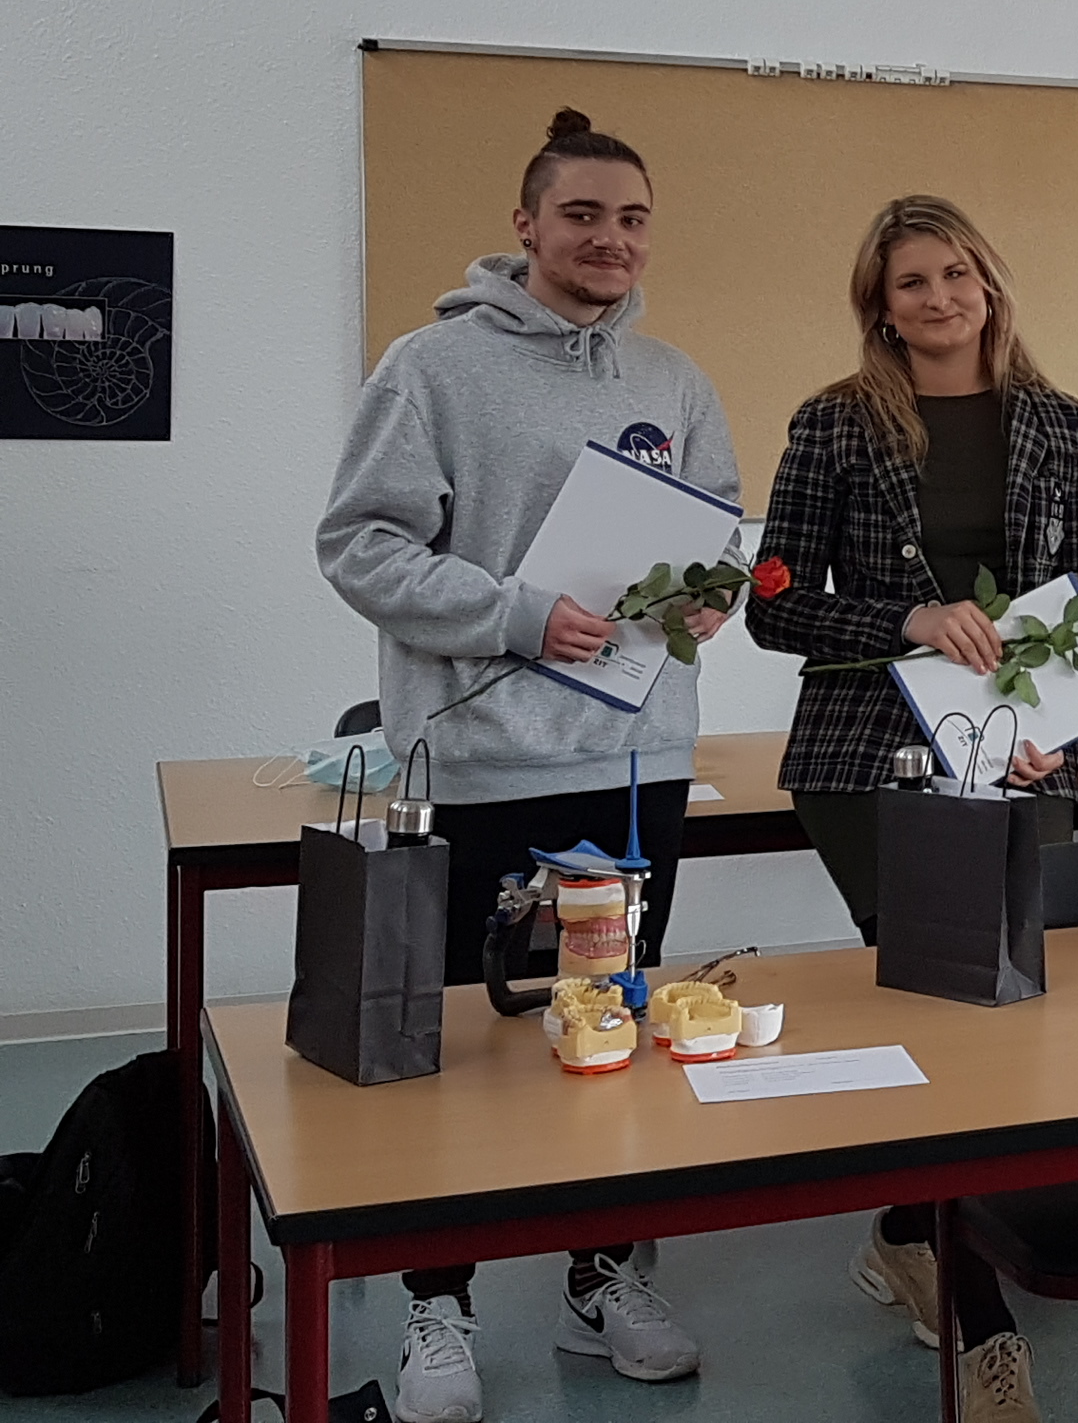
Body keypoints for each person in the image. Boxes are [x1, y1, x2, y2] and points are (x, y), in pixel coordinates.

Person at [317, 109, 738, 1423]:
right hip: (485, 760)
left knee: (604, 1029)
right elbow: (360, 545)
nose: (611, 239)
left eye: (632, 218)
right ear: (526, 225)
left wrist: (712, 593)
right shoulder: (431, 368)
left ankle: (599, 1277)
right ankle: (437, 1300)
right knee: (458, 1038)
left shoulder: (673, 378)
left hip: (634, 760)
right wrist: (513, 613)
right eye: (582, 215)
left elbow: (718, 533)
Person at [746, 194, 1078, 1419]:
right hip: (871, 755)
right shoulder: (836, 423)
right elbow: (774, 606)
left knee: (1008, 1018)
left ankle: (912, 1227)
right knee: (937, 1013)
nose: (941, 297)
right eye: (913, 282)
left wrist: (1059, 734)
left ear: (990, 285)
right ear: (881, 307)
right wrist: (905, 616)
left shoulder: (1056, 421)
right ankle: (979, 1319)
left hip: (1022, 753)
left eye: (959, 274)